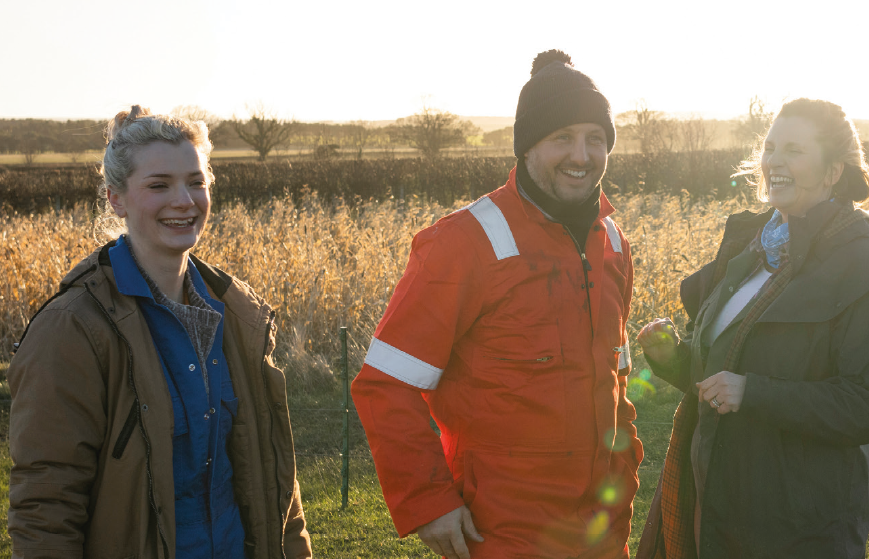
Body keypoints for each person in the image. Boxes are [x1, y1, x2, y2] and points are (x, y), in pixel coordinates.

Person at [352, 50, 643, 559]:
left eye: (595, 139)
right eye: (562, 138)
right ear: (527, 146)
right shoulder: (463, 243)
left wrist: (624, 478)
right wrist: (428, 502)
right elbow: (386, 385)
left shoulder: (613, 242)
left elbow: (614, 378)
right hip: (503, 535)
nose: (582, 155)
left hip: (601, 534)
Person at [7, 106, 312, 559]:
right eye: (158, 185)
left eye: (195, 181)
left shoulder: (236, 312)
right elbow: (47, 506)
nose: (184, 201)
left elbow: (274, 476)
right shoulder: (73, 327)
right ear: (116, 198)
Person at [636, 98, 869, 559]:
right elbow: (721, 380)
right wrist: (674, 358)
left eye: (795, 150)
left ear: (832, 172)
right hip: (717, 506)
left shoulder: (857, 260)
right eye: (770, 146)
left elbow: (860, 404)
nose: (774, 161)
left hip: (799, 526)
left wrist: (754, 392)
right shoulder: (750, 249)